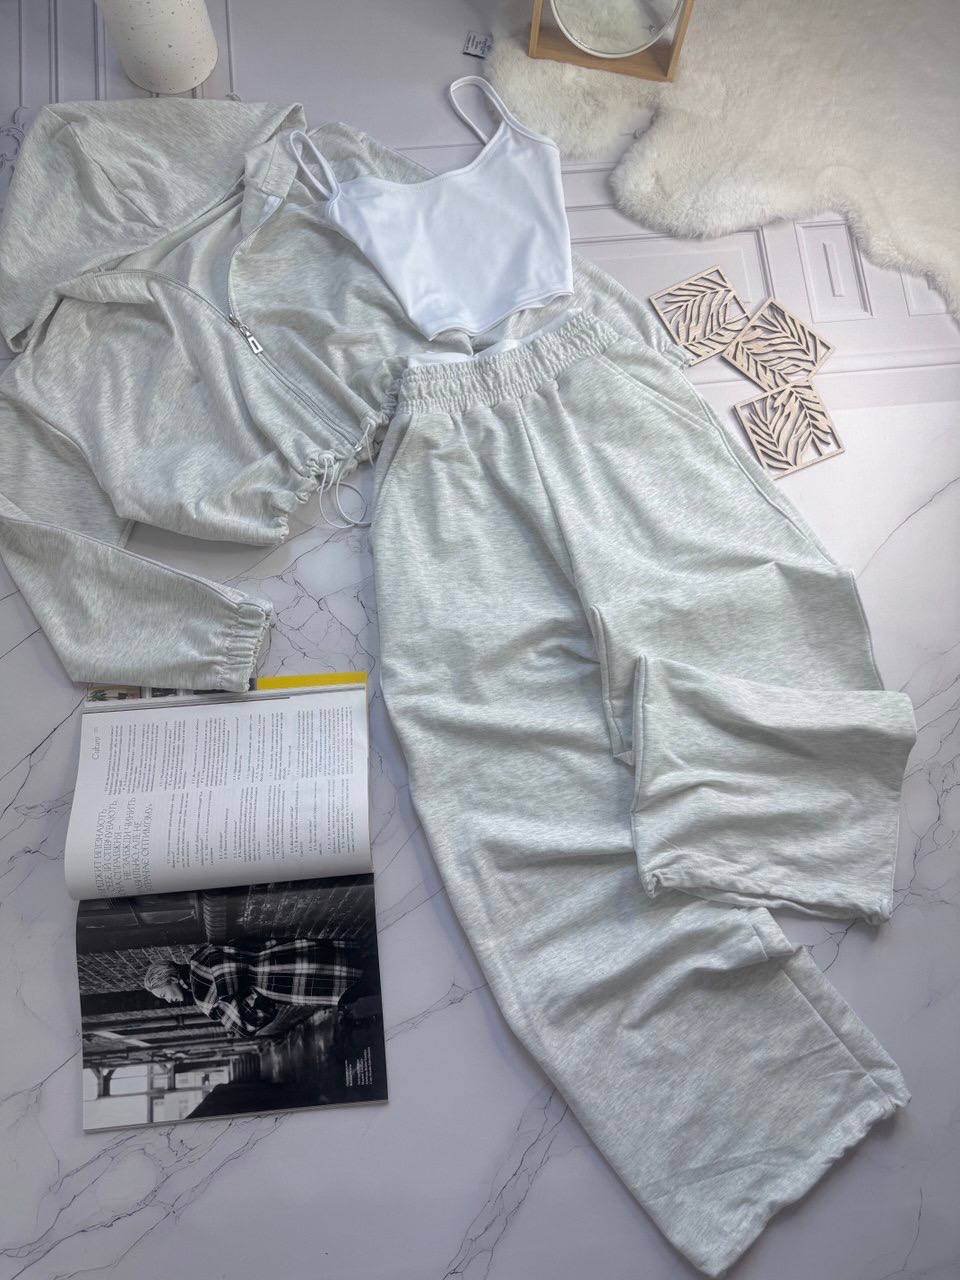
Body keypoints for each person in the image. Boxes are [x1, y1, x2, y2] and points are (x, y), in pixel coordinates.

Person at [142, 938, 366, 1038]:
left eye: (163, 994)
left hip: (282, 986)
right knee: (346, 961)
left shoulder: (203, 998)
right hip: (281, 955)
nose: (167, 1000)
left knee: (348, 988)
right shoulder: (202, 955)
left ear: (172, 979)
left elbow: (246, 1026)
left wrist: (259, 1003)